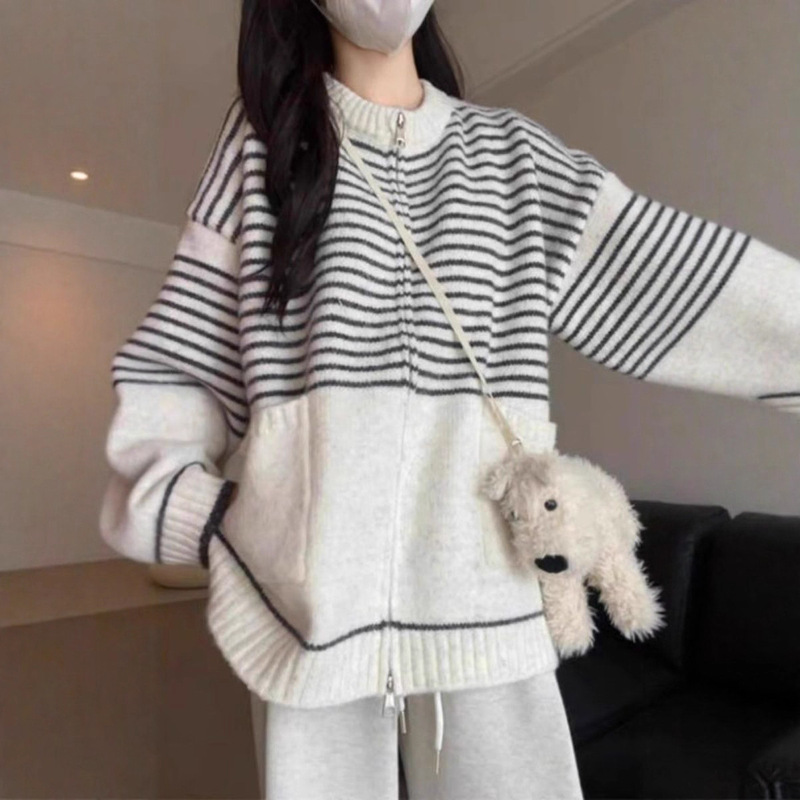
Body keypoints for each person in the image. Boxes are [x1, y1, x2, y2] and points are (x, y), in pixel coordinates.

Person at [97, 1, 800, 798]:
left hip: (490, 609)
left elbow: (678, 279)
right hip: (311, 620)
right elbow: (177, 370)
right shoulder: (264, 152)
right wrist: (211, 518)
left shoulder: (515, 160)